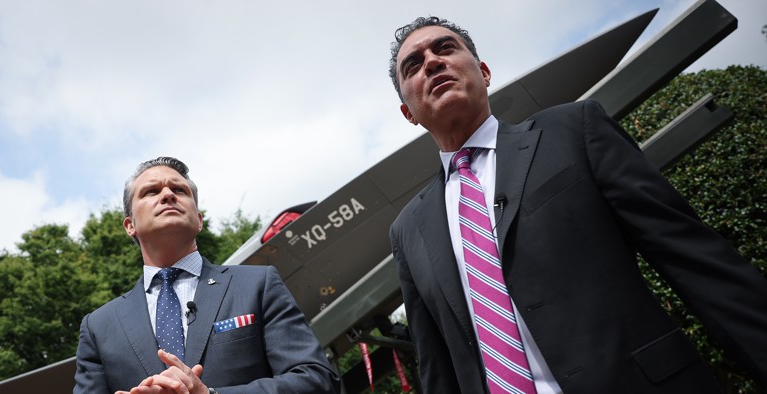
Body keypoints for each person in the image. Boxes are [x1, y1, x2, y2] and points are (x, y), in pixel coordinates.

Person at [387, 16, 767, 393]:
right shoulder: (408, 231)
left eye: (445, 48)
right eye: (413, 66)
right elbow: (438, 370)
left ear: (484, 72)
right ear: (409, 113)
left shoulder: (573, 131)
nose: (432, 62)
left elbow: (698, 263)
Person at [74, 157, 339, 394]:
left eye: (179, 190)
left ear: (199, 220)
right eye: (151, 191)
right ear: (130, 225)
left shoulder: (258, 285)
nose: (167, 195)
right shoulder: (99, 327)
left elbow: (317, 380)